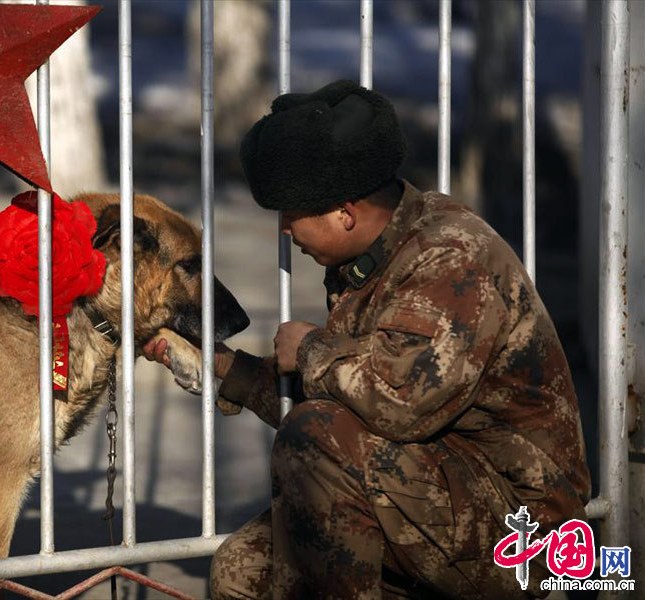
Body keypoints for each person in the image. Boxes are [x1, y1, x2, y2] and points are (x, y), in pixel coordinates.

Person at [144, 79, 591, 599]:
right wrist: (225, 368)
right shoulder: (371, 255)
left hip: (525, 530)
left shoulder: (449, 258)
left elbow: (397, 406)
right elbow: (350, 413)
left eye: (291, 216)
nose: (285, 232)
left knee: (315, 437)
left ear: (345, 213)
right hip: (428, 496)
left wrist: (309, 349)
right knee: (243, 575)